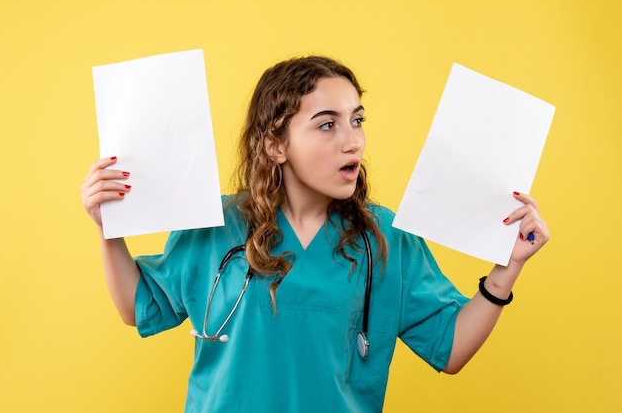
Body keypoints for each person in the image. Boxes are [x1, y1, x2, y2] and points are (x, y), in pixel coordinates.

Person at [81, 56, 549, 412]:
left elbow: (449, 348)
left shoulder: (385, 238)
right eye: (327, 124)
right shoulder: (215, 224)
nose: (353, 140)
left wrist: (508, 269)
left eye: (357, 120)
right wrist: (110, 230)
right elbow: (139, 306)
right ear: (275, 144)